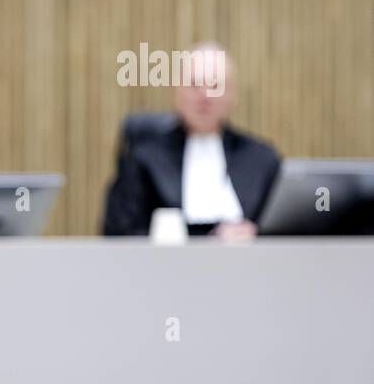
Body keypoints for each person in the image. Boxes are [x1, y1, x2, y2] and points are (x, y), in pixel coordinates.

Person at [102, 43, 280, 239]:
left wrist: (256, 234)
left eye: (215, 86)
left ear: (233, 96)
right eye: (194, 85)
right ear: (176, 92)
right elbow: (118, 231)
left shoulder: (260, 159)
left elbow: (286, 231)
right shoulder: (143, 157)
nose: (204, 96)